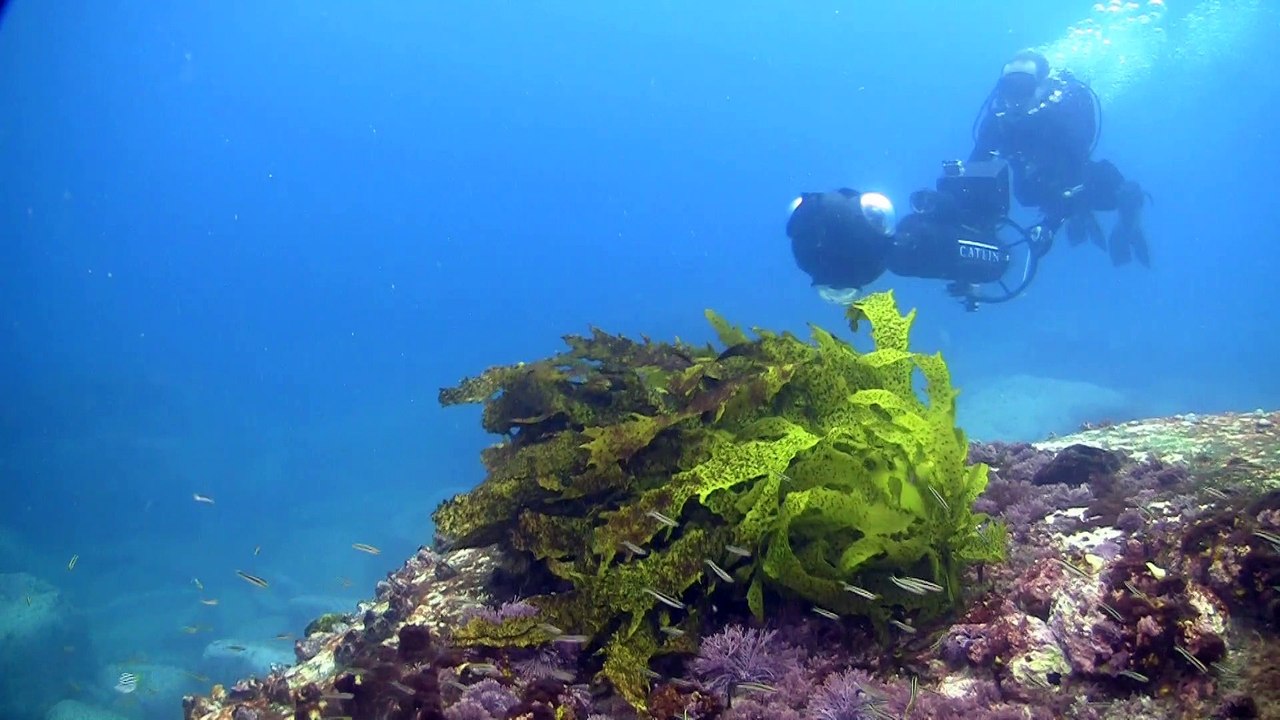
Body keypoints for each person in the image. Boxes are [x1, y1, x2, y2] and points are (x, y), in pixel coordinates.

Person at [970, 49, 1150, 266]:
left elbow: (1076, 168)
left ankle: (1127, 227)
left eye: (1023, 87)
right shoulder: (997, 120)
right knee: (1026, 195)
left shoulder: (1065, 112)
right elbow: (976, 169)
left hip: (1079, 177)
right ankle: (1078, 214)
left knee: (1121, 190)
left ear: (1042, 86)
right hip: (1036, 183)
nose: (1015, 97)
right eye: (1008, 87)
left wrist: (1050, 224)